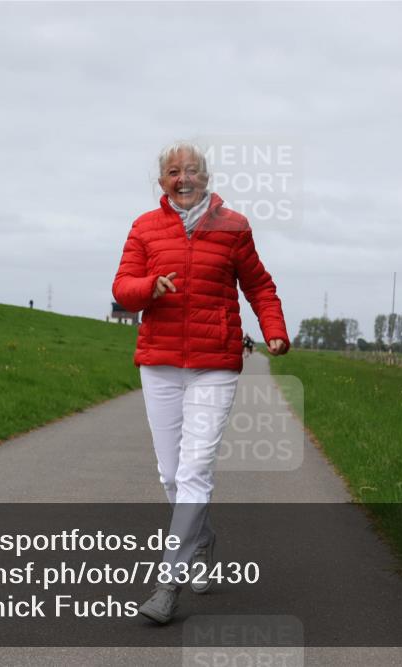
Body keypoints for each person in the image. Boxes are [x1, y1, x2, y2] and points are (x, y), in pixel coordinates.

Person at [112, 140, 290, 624]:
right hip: (161, 363)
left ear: (206, 178)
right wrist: (151, 286)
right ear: (162, 181)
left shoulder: (233, 227)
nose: (183, 178)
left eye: (191, 171)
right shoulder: (144, 228)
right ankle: (202, 540)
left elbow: (258, 284)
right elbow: (122, 289)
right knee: (170, 474)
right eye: (173, 171)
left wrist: (273, 330)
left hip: (215, 363)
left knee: (194, 471)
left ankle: (167, 584)